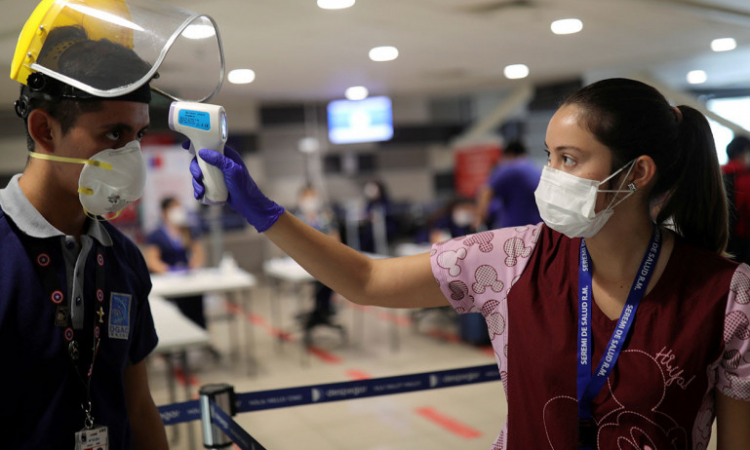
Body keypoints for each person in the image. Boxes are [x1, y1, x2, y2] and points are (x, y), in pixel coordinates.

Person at [187, 77, 750, 449]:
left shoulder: (728, 297)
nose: (550, 176)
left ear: (637, 173)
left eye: (570, 159)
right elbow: (366, 279)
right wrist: (264, 212)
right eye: (549, 156)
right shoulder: (510, 258)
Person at [0, 0, 223, 449]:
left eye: (138, 135)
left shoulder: (122, 258)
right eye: (113, 134)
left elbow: (138, 406)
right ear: (44, 130)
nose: (131, 155)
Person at [292, 186, 344, 342]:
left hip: (325, 261)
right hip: (303, 262)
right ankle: (319, 312)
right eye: (307, 197)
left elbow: (335, 239)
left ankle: (323, 310)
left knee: (329, 279)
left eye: (313, 196)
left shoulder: (325, 217)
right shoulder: (296, 219)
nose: (310, 200)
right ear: (300, 200)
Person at [144, 196, 207, 328]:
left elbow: (198, 253)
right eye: (173, 208)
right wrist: (169, 271)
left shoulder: (187, 231)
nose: (178, 211)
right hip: (167, 281)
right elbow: (152, 260)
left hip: (187, 280)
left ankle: (199, 333)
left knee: (195, 309)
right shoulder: (156, 235)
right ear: (164, 212)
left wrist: (192, 267)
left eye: (179, 207)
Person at [474, 139, 542, 230]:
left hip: (514, 229)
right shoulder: (535, 168)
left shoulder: (509, 168)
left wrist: (479, 218)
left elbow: (486, 190)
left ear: (509, 154)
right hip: (536, 228)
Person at [722, 136, 750, 264]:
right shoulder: (745, 179)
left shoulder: (717, 173)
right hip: (737, 244)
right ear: (743, 153)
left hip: (711, 236)